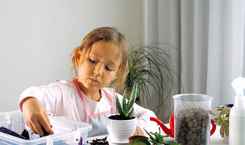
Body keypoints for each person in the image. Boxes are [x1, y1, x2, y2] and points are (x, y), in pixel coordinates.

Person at [19, 27, 157, 137]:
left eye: (108, 68)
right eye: (92, 61)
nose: (98, 71)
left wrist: (138, 128)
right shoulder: (65, 92)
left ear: (116, 73)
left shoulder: (111, 100)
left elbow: (149, 116)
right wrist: (30, 101)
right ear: (79, 57)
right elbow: (38, 93)